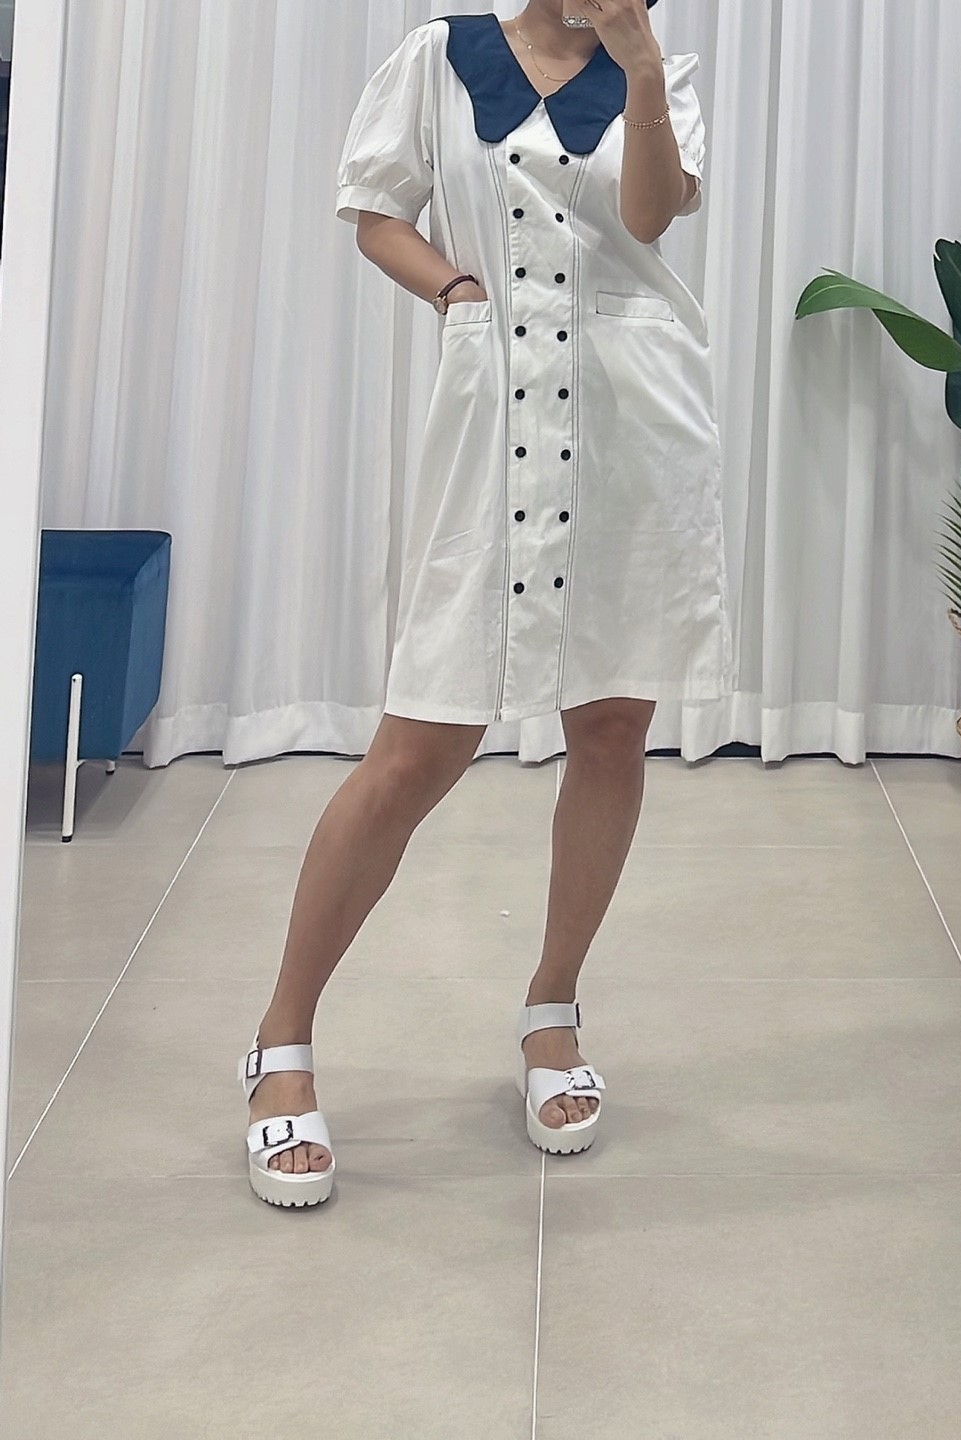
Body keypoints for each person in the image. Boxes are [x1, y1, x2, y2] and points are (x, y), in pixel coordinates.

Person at [239, 0, 732, 1208]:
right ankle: (280, 1036)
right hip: (492, 412)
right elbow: (373, 211)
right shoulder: (440, 57)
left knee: (609, 724)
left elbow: (648, 217)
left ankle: (551, 1009)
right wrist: (455, 290)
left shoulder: (660, 77)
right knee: (420, 743)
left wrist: (641, 69)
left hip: (629, 421)